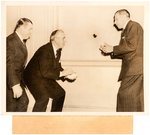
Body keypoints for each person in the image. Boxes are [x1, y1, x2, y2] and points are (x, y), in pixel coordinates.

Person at [100, 9, 144, 112]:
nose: (114, 22)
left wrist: (113, 48)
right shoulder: (126, 30)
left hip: (135, 70)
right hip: (132, 70)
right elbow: (126, 51)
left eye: (116, 19)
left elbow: (132, 46)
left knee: (126, 98)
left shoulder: (134, 26)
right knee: (130, 100)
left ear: (125, 16)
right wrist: (110, 51)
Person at [24, 29, 77, 112]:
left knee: (60, 94)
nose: (65, 41)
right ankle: (35, 121)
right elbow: (46, 72)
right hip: (32, 78)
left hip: (43, 76)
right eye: (63, 38)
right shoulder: (45, 50)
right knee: (43, 98)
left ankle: (54, 118)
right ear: (55, 39)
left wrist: (67, 75)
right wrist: (63, 73)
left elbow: (56, 68)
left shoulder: (58, 51)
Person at [7, 18, 33, 112]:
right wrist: (15, 85)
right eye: (30, 29)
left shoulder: (20, 40)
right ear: (21, 28)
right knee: (12, 107)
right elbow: (9, 64)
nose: (31, 32)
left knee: (23, 102)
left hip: (16, 80)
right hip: (9, 82)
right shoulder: (11, 41)